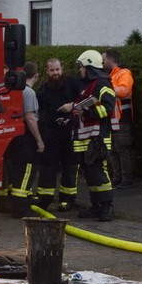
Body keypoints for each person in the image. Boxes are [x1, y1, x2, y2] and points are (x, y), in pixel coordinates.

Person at [59, 50, 116, 221]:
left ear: (89, 66)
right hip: (85, 139)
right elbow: (81, 111)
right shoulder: (87, 87)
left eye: (82, 67)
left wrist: (87, 111)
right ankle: (96, 207)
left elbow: (108, 107)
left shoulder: (102, 84)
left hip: (97, 139)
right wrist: (69, 118)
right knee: (91, 175)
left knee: (99, 174)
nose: (80, 70)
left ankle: (107, 208)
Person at [35, 57, 83, 211]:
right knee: (47, 165)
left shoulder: (73, 84)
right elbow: (39, 111)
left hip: (70, 131)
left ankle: (67, 199)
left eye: (57, 69)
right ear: (47, 72)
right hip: (51, 132)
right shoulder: (43, 90)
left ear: (62, 69)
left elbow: (85, 99)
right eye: (52, 70)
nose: (55, 73)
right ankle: (44, 197)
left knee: (70, 165)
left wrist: (73, 106)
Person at [4, 61, 45, 218]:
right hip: (27, 139)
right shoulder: (29, 93)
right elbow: (30, 118)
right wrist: (39, 140)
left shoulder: (14, 90)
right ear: (36, 75)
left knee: (16, 172)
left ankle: (16, 203)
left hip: (15, 137)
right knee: (27, 171)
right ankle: (21, 208)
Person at [102, 49, 134, 189]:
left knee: (121, 148)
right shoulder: (109, 75)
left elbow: (124, 91)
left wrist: (105, 90)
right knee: (113, 149)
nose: (101, 62)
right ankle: (117, 177)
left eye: (103, 59)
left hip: (122, 117)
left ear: (110, 59)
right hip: (112, 118)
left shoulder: (124, 73)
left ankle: (126, 179)